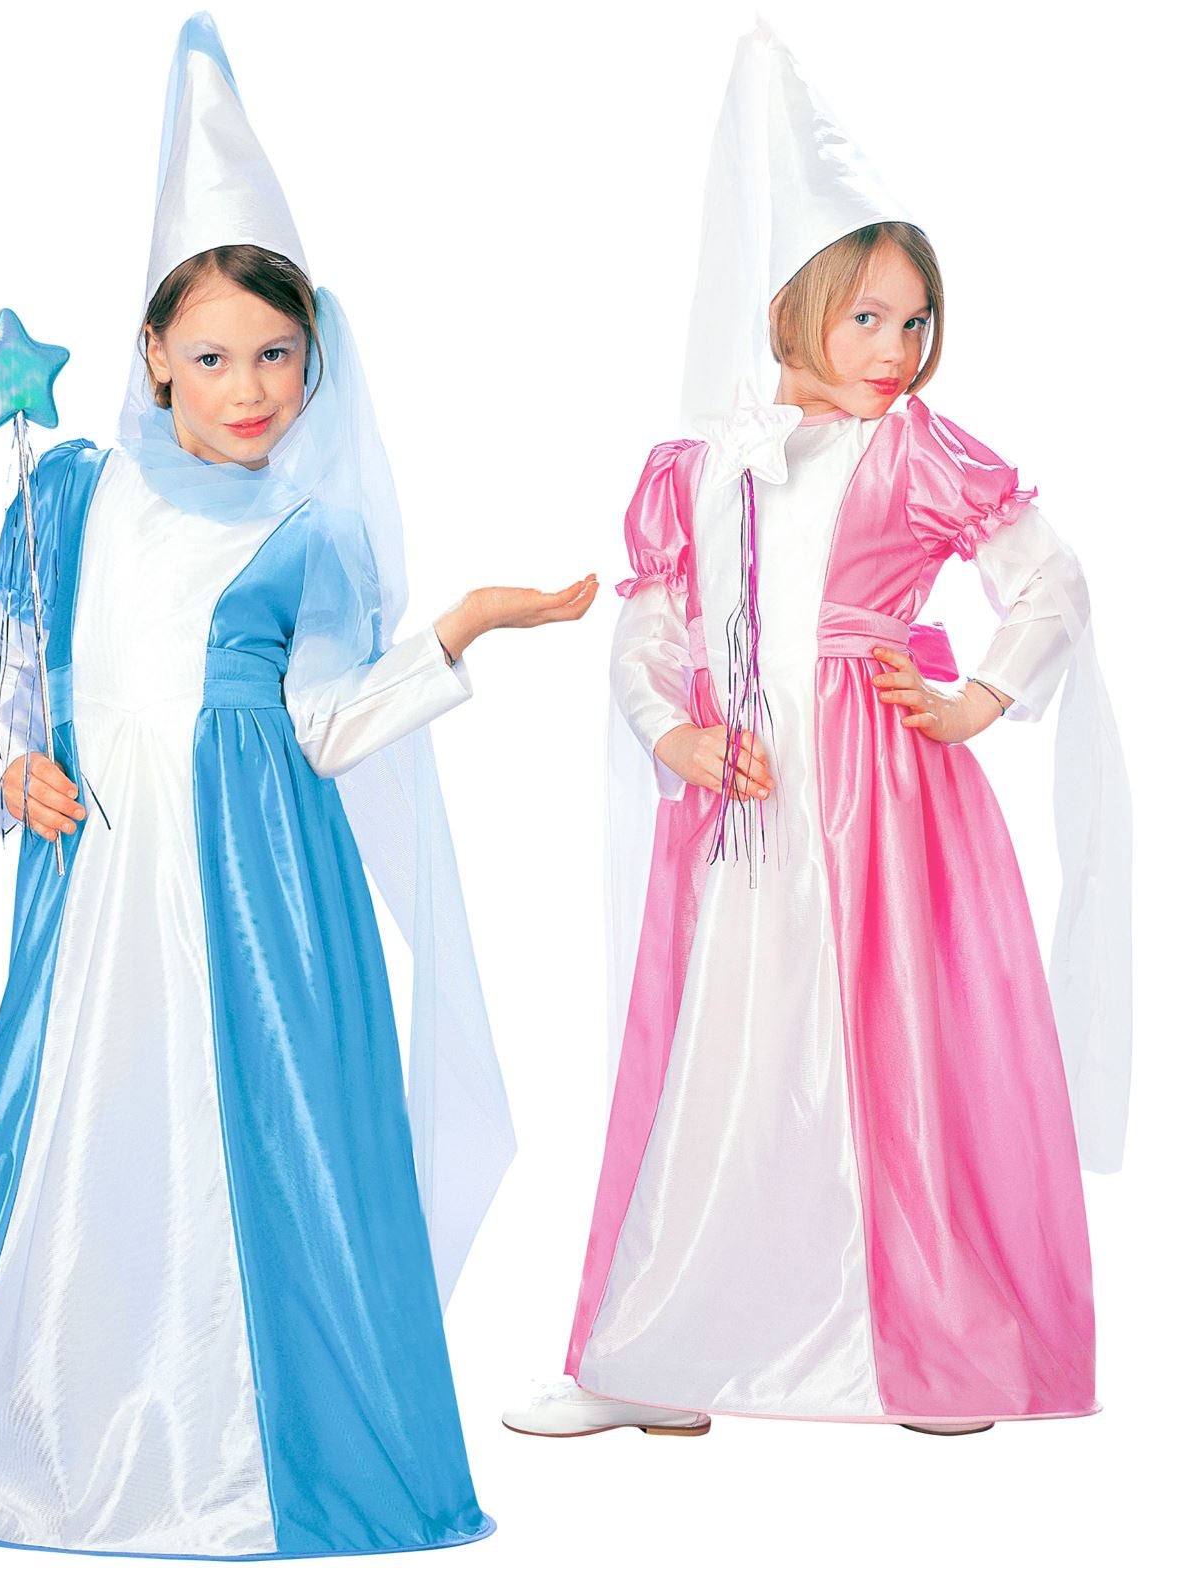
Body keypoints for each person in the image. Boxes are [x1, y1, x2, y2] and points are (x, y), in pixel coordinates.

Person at [0, 14, 595, 1558]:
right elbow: (8, 654)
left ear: (314, 363)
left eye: (275, 356)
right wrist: (15, 758)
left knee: (251, 1146)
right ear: (150, 358)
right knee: (85, 1129)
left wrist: (458, 631)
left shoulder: (308, 535)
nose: (247, 387)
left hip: (255, 891)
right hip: (102, 875)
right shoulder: (69, 491)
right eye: (212, 356)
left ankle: (252, 1454)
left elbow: (326, 727)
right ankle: (71, 1436)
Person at [505, 22, 1129, 1441]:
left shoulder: (916, 450)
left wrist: (976, 697)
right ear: (788, 310)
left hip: (877, 799)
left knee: (891, 1046)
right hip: (742, 798)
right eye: (866, 320)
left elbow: (1050, 580)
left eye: (915, 323)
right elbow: (652, 627)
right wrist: (668, 733)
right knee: (725, 1055)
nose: (895, 352)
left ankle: (929, 1345)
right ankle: (669, 1351)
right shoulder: (697, 462)